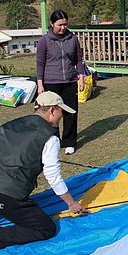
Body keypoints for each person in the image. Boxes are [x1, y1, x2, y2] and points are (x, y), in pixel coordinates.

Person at [0, 92, 88, 255]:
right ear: (52, 111)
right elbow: (53, 176)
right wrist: (71, 203)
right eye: (62, 112)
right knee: (45, 229)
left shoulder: (10, 125)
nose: (62, 117)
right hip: (2, 195)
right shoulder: (50, 137)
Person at [36, 10, 84, 155]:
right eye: (59, 25)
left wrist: (80, 77)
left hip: (69, 80)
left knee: (70, 112)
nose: (63, 27)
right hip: (51, 81)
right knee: (51, 114)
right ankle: (53, 141)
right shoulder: (45, 41)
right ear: (52, 24)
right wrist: (40, 84)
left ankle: (69, 142)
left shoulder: (73, 39)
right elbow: (40, 63)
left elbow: (78, 59)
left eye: (65, 24)